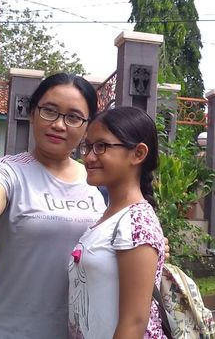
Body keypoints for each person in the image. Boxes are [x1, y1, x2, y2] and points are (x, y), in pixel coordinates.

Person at [0, 73, 165, 338]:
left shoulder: (96, 179)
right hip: (14, 331)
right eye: (49, 111)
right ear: (32, 113)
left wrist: (149, 249)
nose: (59, 124)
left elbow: (118, 239)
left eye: (73, 117)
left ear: (87, 126)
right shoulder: (9, 171)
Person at [68, 106, 165, 338]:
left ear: (138, 154)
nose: (89, 156)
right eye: (87, 146)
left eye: (101, 146)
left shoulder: (136, 222)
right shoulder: (108, 218)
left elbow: (134, 322)